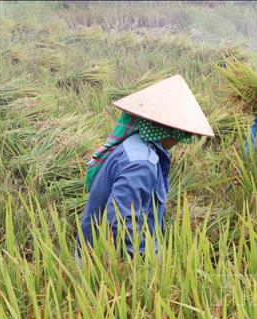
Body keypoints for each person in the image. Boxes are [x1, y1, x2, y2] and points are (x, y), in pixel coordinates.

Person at [77, 74, 213, 260]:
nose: (180, 141)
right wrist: (148, 261)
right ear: (169, 130)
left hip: (96, 255)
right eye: (182, 135)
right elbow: (120, 221)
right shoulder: (141, 164)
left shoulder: (133, 144)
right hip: (106, 267)